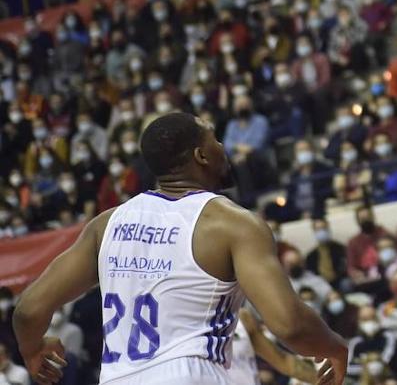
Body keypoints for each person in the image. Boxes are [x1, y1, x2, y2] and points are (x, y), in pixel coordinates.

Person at [11, 112, 348, 385]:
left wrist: (33, 350)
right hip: (192, 374)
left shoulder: (106, 224)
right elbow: (290, 325)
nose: (222, 146)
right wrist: (335, 346)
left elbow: (28, 309)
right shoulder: (231, 223)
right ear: (201, 155)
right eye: (214, 139)